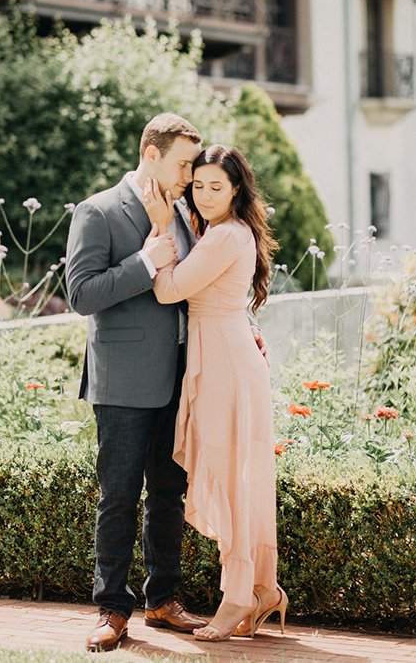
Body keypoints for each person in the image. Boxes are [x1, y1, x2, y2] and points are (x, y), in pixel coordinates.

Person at [65, 115, 268, 652]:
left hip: (186, 377)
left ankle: (163, 598)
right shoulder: (99, 210)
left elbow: (210, 282)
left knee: (169, 495)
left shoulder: (188, 212)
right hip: (124, 381)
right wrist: (142, 262)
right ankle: (112, 609)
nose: (190, 177)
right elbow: (81, 293)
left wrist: (246, 324)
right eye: (183, 165)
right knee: (119, 497)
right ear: (150, 154)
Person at [145, 144, 288, 642]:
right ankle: (261, 589)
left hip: (224, 362)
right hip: (225, 352)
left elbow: (168, 291)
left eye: (216, 187)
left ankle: (238, 598)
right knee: (239, 479)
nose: (204, 195)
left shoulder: (225, 235)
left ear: (236, 190)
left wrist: (160, 232)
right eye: (198, 185)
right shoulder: (226, 231)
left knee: (232, 481)